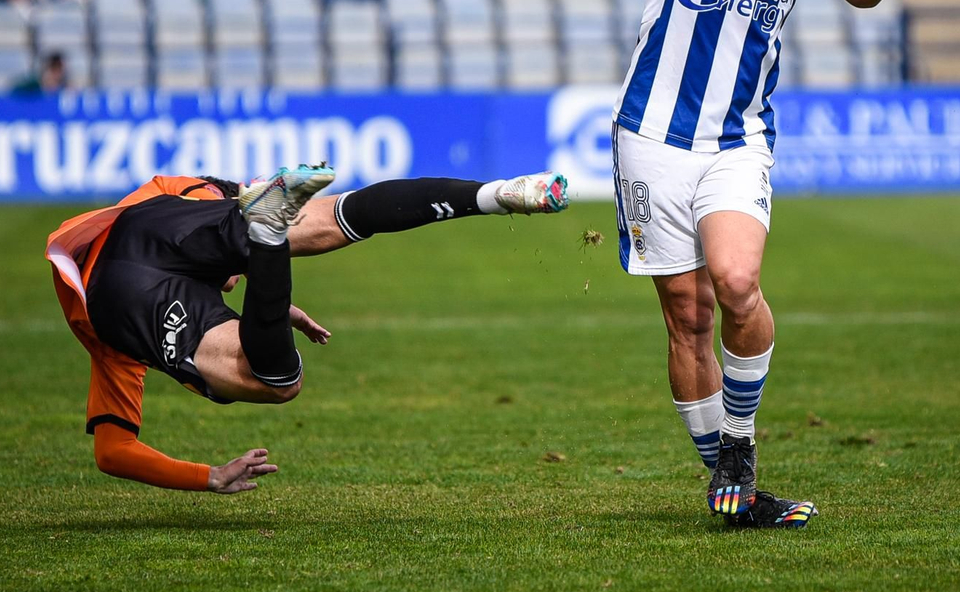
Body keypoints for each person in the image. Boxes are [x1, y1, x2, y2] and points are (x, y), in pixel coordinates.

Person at [538, 0, 940, 529]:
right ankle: (738, 495)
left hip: (738, 138)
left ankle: (740, 445)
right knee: (686, 319)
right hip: (649, 137)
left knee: (737, 283)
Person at [44, 166, 571, 491]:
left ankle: (268, 236)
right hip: (139, 247)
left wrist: (208, 477)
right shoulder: (185, 190)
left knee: (274, 380)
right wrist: (257, 275)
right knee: (332, 219)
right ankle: (496, 192)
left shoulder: (111, 337)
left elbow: (113, 451)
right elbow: (112, 453)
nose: (227, 287)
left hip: (117, 277)